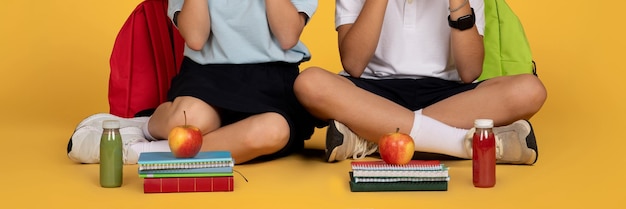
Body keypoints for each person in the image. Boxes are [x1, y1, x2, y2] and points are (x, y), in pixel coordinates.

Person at [293, 0, 547, 165]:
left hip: (449, 95)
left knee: (530, 90)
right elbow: (354, 63)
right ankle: (463, 145)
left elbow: (469, 72)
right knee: (309, 83)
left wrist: (457, 3)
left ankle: (370, 137)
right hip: (372, 92)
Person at [67, 0, 319, 165]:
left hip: (271, 80)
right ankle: (142, 126)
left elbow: (287, 36)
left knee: (274, 132)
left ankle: (145, 152)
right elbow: (196, 38)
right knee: (189, 121)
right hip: (208, 73)